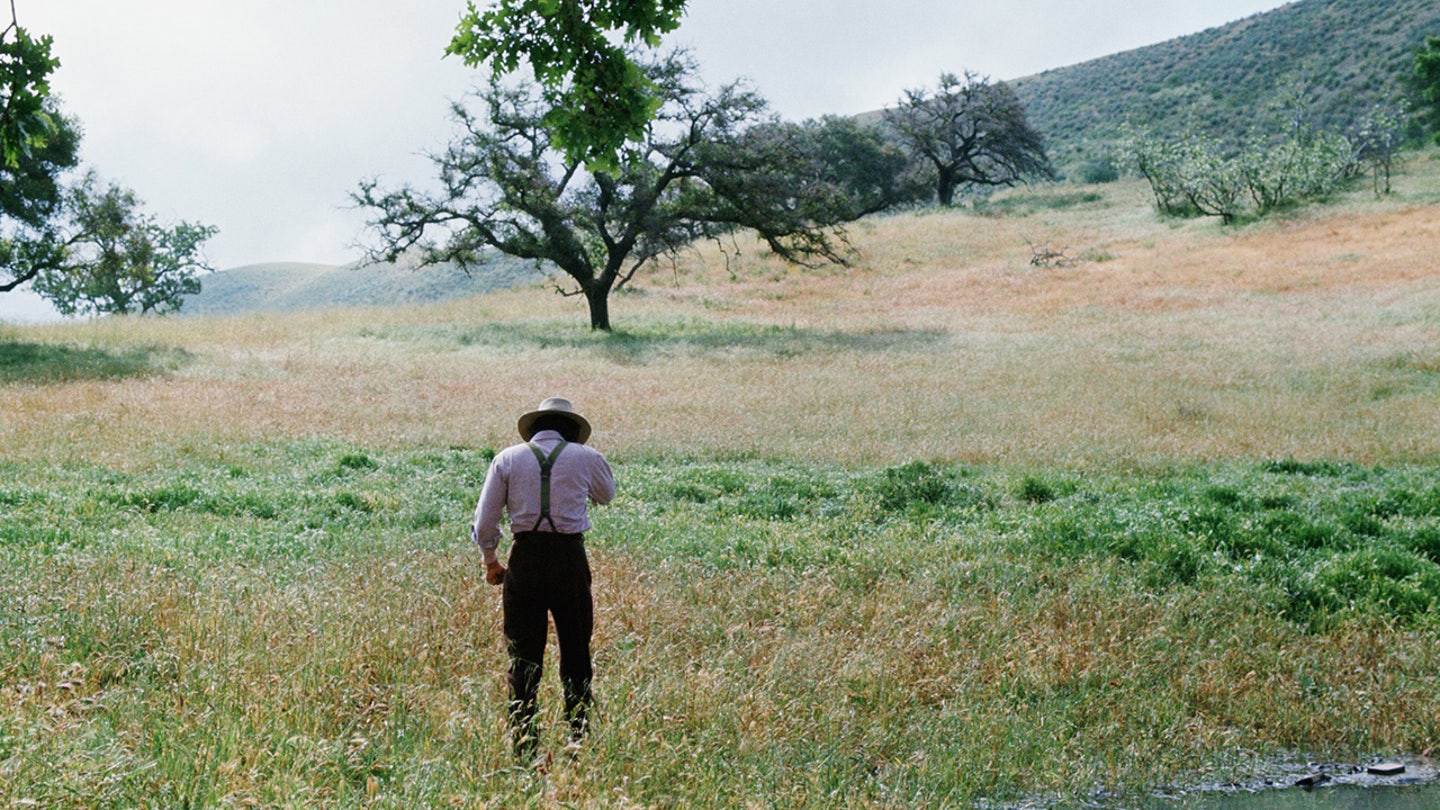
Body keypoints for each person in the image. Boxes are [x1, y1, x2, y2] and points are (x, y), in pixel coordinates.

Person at [471, 397, 616, 761]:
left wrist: (491, 561)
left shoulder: (506, 459)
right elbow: (606, 496)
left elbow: (485, 522)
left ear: (534, 428)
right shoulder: (588, 457)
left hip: (526, 560)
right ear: (571, 430)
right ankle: (578, 741)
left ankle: (524, 747)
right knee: (576, 651)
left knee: (523, 657)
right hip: (570, 559)